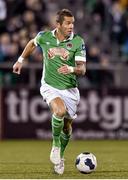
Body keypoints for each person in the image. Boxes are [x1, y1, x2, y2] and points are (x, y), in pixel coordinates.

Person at [13, 9, 86, 175]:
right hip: (49, 86)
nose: (71, 26)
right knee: (59, 111)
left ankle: (60, 157)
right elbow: (32, 43)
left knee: (67, 127)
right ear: (58, 24)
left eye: (72, 23)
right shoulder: (44, 36)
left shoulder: (77, 41)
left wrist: (71, 68)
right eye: (67, 23)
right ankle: (55, 145)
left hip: (70, 90)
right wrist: (20, 60)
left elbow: (82, 70)